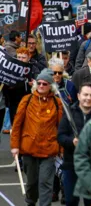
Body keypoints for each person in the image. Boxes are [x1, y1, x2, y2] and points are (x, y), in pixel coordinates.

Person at [10, 69, 63, 206]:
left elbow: (62, 128)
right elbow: (16, 125)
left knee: (46, 182)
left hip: (49, 150)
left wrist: (61, 150)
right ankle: (30, 202)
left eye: (45, 84)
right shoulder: (26, 100)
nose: (41, 86)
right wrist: (15, 146)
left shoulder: (57, 103)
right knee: (32, 183)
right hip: (29, 149)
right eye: (39, 83)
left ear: (50, 86)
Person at [57, 83, 91, 206]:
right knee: (71, 201)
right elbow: (60, 136)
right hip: (71, 165)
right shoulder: (69, 113)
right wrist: (72, 142)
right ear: (78, 96)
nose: (88, 98)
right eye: (85, 94)